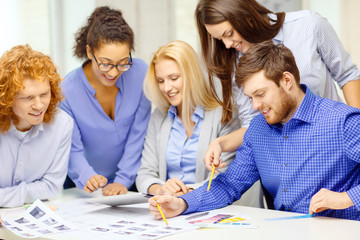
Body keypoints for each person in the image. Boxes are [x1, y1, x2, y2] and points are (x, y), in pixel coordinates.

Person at [148, 41, 360, 221]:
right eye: (250, 97)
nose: (255, 105)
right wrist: (181, 204)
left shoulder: (343, 121)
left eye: (260, 94)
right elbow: (229, 185)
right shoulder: (258, 130)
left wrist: (346, 198)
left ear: (287, 81)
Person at [195, 0, 360, 171]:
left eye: (229, 34)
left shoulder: (308, 25)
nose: (227, 44)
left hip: (332, 148)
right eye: (220, 39)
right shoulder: (235, 60)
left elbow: (348, 76)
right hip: (284, 164)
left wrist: (355, 130)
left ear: (246, 16)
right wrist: (220, 143)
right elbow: (252, 123)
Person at [60, 6, 151, 196]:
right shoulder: (67, 90)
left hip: (129, 182)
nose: (114, 72)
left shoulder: (141, 74)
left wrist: (123, 180)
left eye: (123, 62)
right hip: (83, 185)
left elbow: (138, 135)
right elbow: (71, 148)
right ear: (89, 51)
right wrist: (88, 177)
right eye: (106, 63)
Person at [136, 40, 240, 196]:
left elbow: (224, 177)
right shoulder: (159, 116)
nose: (166, 88)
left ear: (192, 75)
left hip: (207, 208)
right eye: (160, 81)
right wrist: (162, 189)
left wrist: (185, 194)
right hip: (168, 206)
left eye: (174, 78)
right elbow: (145, 173)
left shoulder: (224, 115)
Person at [0, 45, 73, 207]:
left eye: (44, 94)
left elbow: (51, 187)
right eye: (27, 98)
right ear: (8, 97)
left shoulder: (62, 125)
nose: (39, 105)